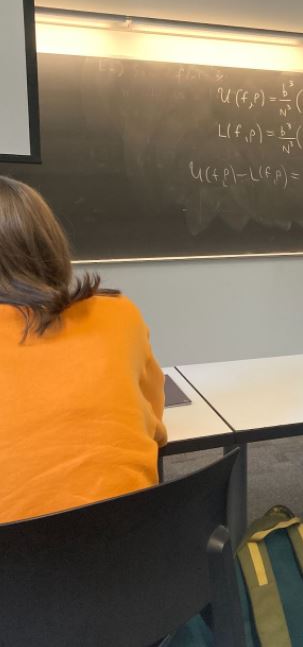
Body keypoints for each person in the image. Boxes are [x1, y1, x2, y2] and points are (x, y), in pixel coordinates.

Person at [0, 176, 166, 524]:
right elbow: (155, 423)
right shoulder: (120, 314)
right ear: (50, 243)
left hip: (17, 571)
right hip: (133, 552)